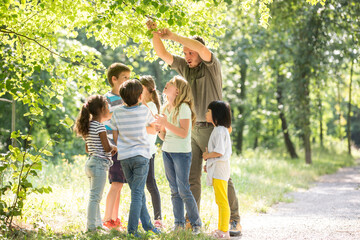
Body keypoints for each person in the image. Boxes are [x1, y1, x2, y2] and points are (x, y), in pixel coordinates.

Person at [147, 22, 242, 236]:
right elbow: (161, 52)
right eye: (185, 53)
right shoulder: (183, 68)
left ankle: (234, 220)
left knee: (222, 176)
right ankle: (192, 221)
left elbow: (200, 49)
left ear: (199, 52)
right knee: (191, 178)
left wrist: (173, 35)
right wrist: (155, 32)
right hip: (191, 130)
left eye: (191, 52)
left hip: (213, 129)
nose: (187, 56)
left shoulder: (211, 65)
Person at [110, 79, 160, 237]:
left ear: (122, 97)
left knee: (138, 192)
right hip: (141, 156)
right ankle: (132, 230)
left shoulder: (117, 112)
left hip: (124, 157)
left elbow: (115, 136)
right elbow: (155, 128)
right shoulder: (144, 111)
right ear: (140, 96)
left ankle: (148, 225)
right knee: (137, 193)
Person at [155, 76, 202, 234]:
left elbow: (183, 133)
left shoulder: (183, 108)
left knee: (183, 190)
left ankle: (196, 224)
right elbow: (164, 136)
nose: (166, 84)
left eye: (171, 83)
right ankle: (178, 223)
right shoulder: (165, 108)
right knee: (174, 190)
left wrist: (166, 123)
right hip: (167, 151)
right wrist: (159, 129)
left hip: (181, 153)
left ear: (178, 91)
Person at [74, 95, 117, 232]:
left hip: (91, 163)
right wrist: (114, 148)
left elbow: (88, 148)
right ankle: (91, 227)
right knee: (95, 198)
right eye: (107, 106)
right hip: (98, 165)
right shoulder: (100, 127)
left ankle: (98, 224)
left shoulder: (88, 126)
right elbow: (106, 148)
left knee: (95, 196)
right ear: (103, 108)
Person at [102, 63, 130, 229]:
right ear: (114, 79)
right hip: (113, 147)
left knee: (119, 184)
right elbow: (103, 117)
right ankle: (107, 219)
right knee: (116, 184)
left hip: (124, 146)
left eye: (129, 78)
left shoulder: (127, 98)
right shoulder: (107, 98)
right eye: (124, 78)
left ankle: (115, 218)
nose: (127, 81)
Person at [203, 101, 233, 239]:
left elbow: (219, 151)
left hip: (220, 171)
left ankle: (224, 231)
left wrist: (207, 155)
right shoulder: (218, 130)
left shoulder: (220, 130)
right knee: (220, 200)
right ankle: (221, 228)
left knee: (222, 201)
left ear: (216, 114)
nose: (206, 114)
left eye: (208, 111)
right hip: (217, 170)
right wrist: (208, 164)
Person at [139, 75, 164, 228]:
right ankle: (145, 216)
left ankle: (158, 218)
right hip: (140, 150)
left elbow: (154, 128)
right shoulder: (141, 105)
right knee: (141, 186)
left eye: (140, 88)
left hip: (148, 150)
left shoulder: (151, 106)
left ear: (147, 89)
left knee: (150, 184)